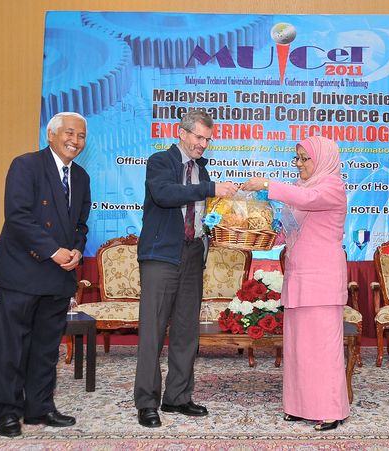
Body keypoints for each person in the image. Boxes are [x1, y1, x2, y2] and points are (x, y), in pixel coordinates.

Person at [134, 110, 239, 428]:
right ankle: (147, 402)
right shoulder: (160, 162)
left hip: (193, 255)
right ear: (181, 133)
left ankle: (177, 397)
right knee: (152, 331)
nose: (203, 144)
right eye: (198, 137)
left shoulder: (202, 170)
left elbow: (203, 210)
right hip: (161, 255)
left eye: (208, 139)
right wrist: (210, 189)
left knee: (186, 330)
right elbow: (165, 195)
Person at [0, 112, 91, 437]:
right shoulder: (26, 165)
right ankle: (7, 412)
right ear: (51, 135)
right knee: (12, 347)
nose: (75, 141)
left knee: (46, 348)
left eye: (81, 136)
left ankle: (40, 407)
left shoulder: (81, 177)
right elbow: (18, 216)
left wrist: (76, 251)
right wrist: (53, 251)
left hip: (58, 277)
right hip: (21, 272)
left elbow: (80, 225)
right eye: (69, 133)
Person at [242, 136, 349, 431]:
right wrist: (263, 233)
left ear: (322, 159)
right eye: (297, 158)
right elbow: (291, 230)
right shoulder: (301, 188)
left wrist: (267, 184)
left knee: (323, 349)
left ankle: (330, 410)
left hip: (322, 279)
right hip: (298, 276)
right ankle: (300, 406)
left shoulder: (331, 186)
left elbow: (309, 200)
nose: (299, 164)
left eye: (304, 158)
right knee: (299, 348)